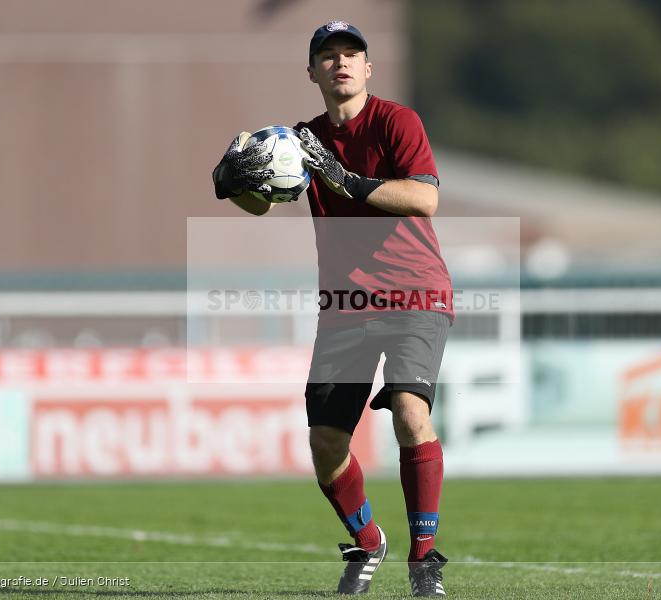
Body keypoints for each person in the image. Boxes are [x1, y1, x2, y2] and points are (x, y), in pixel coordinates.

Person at [212, 20, 451, 597]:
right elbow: (261, 204)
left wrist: (347, 181)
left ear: (368, 67)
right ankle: (367, 542)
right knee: (326, 445)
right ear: (313, 71)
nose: (340, 62)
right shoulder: (299, 140)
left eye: (352, 54)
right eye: (328, 55)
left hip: (416, 292)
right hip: (345, 304)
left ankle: (424, 562)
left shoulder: (397, 121)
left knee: (409, 413)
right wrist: (229, 181)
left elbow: (425, 198)